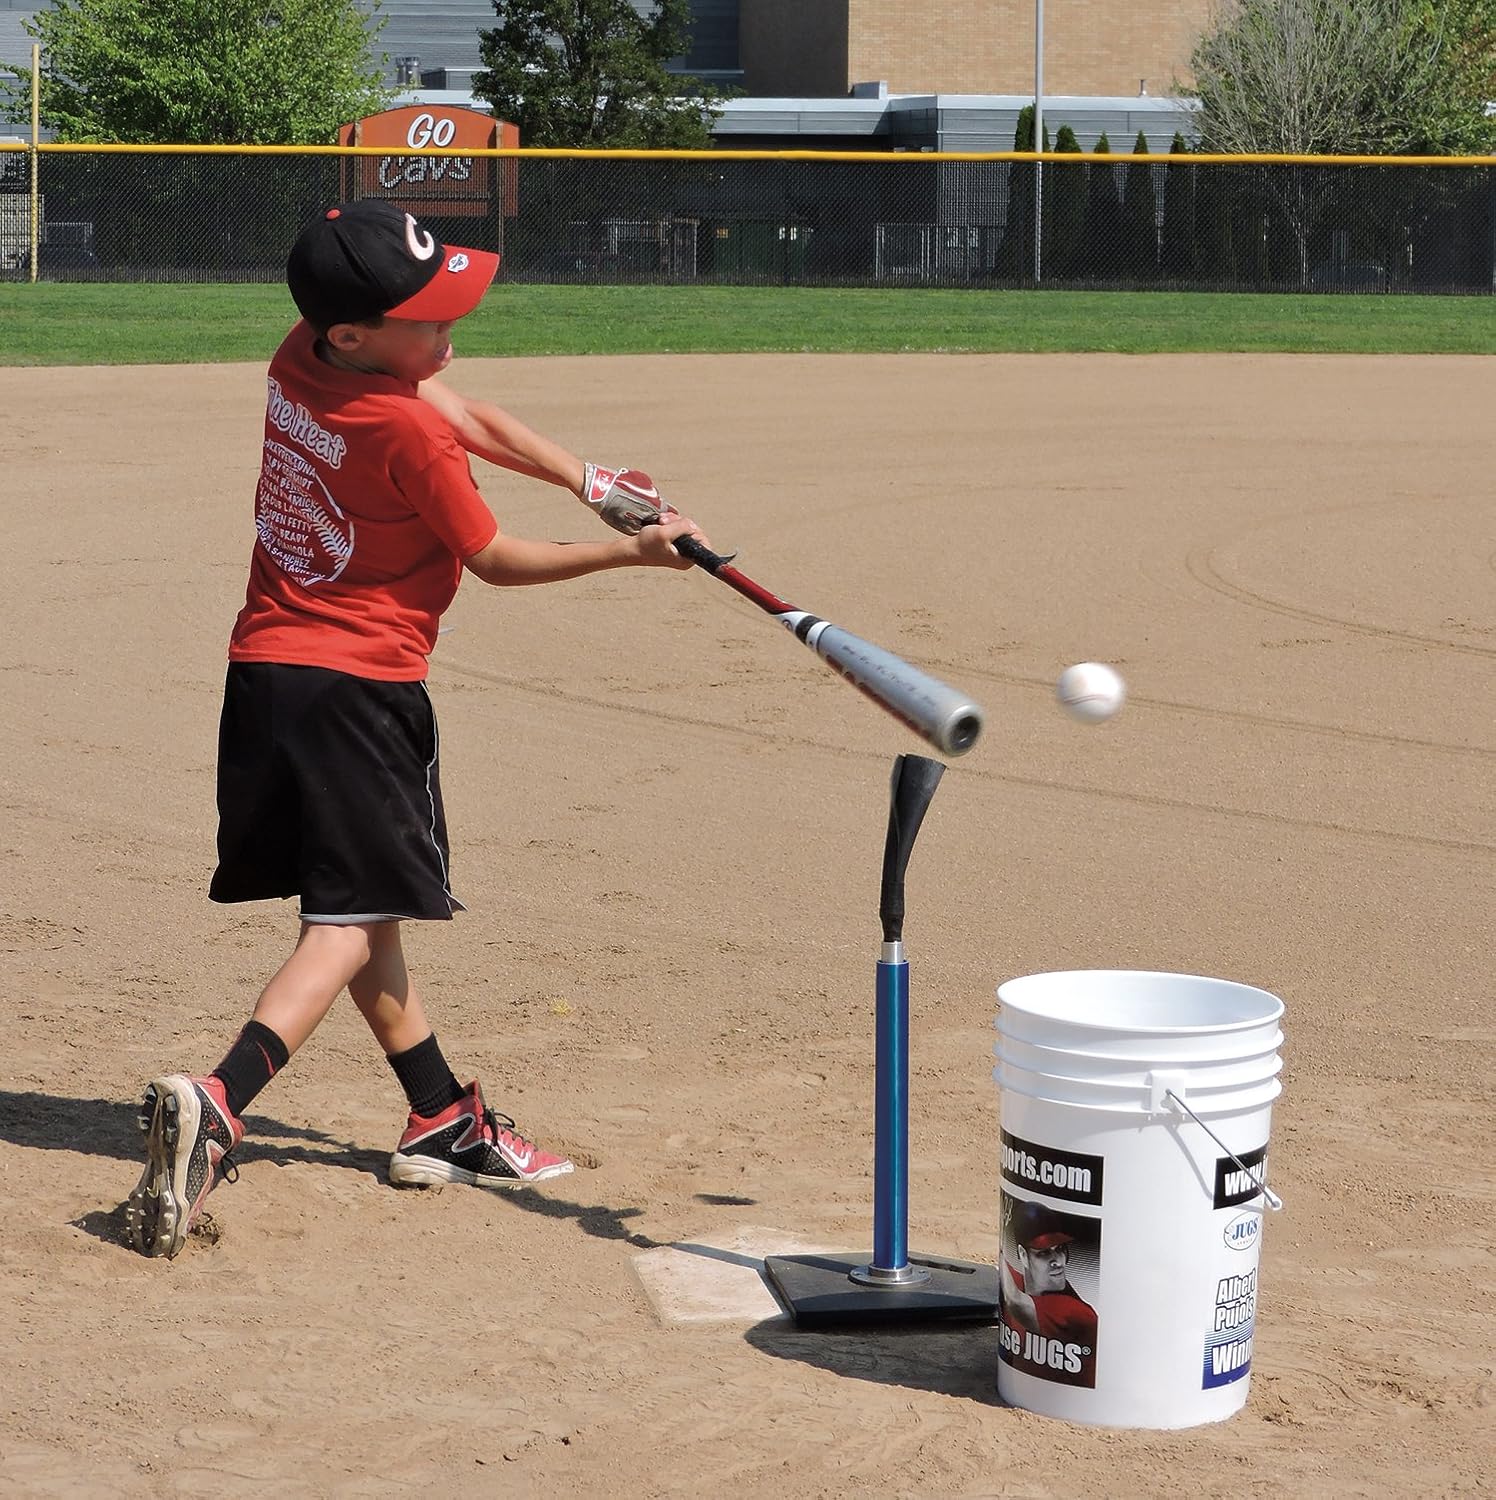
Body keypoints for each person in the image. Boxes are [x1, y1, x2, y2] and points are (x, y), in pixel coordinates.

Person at [125, 199, 708, 1260]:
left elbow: (459, 405)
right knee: (348, 919)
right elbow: (491, 557)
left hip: (268, 674)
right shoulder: (405, 432)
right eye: (426, 322)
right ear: (355, 332)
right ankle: (220, 1101)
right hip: (360, 691)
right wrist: (635, 554)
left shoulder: (301, 359)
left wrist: (588, 481)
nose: (448, 338)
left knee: (365, 901)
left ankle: (439, 1113)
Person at [999, 1202, 1099, 1386]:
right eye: (1044, 1253)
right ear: (1022, 1255)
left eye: (1060, 1250)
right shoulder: (1024, 1284)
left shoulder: (1073, 1310)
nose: (1058, 1262)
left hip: (1070, 1408)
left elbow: (1013, 1299)